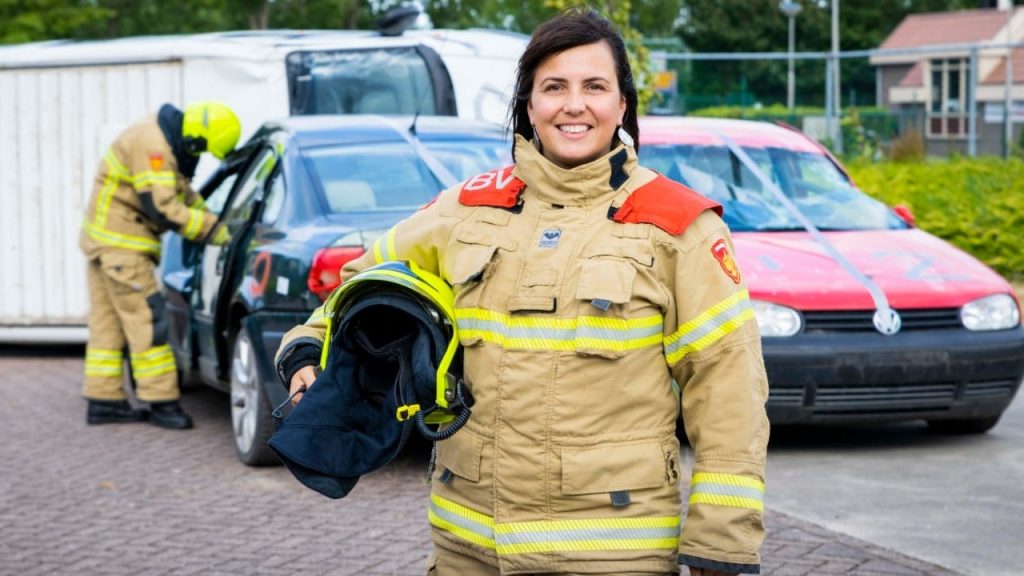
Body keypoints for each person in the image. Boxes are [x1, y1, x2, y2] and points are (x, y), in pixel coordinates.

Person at [275, 9, 768, 575]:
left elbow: (728, 390)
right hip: (468, 551)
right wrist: (309, 352)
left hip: (610, 556)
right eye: (554, 87)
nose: (574, 104)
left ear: (622, 105)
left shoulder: (678, 227)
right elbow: (358, 288)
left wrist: (720, 543)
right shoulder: (464, 210)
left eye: (594, 87)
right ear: (529, 105)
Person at [81, 101, 240, 429]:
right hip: (123, 247)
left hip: (106, 244)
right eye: (201, 149)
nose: (198, 156)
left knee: (108, 324)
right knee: (148, 322)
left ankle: (104, 400)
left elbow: (181, 191)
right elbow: (163, 206)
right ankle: (162, 402)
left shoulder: (162, 137)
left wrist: (210, 213)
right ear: (195, 138)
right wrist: (213, 230)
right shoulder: (153, 145)